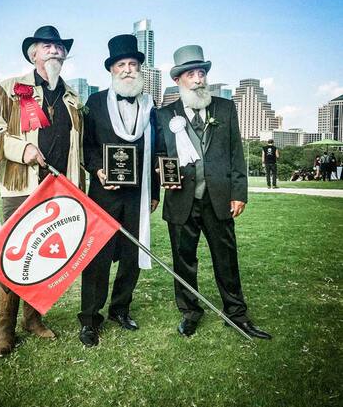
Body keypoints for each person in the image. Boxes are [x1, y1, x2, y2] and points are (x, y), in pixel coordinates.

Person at [155, 45, 271, 340]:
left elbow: (235, 154)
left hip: (219, 198)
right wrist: (160, 173)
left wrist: (239, 193)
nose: (198, 79)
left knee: (226, 258)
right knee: (184, 261)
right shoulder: (164, 114)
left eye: (202, 73)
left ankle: (236, 314)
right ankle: (190, 312)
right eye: (191, 74)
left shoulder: (225, 107)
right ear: (179, 79)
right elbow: (158, 155)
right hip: (181, 199)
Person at [0, 25, 84, 356]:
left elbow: (78, 150)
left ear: (64, 55)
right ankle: (4, 329)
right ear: (33, 53)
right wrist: (21, 149)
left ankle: (33, 318)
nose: (55, 50)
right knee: (14, 256)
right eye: (47, 46)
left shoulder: (73, 98)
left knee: (43, 257)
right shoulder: (10, 88)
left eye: (59, 47)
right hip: (21, 187)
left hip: (58, 191)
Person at [78, 34, 160, 347]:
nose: (128, 70)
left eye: (133, 64)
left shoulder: (151, 105)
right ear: (111, 70)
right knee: (96, 257)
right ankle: (89, 319)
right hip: (105, 192)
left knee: (131, 256)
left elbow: (157, 150)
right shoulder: (95, 103)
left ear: (140, 69)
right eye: (121, 65)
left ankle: (120, 309)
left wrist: (154, 193)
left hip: (138, 194)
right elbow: (85, 145)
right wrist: (97, 168)